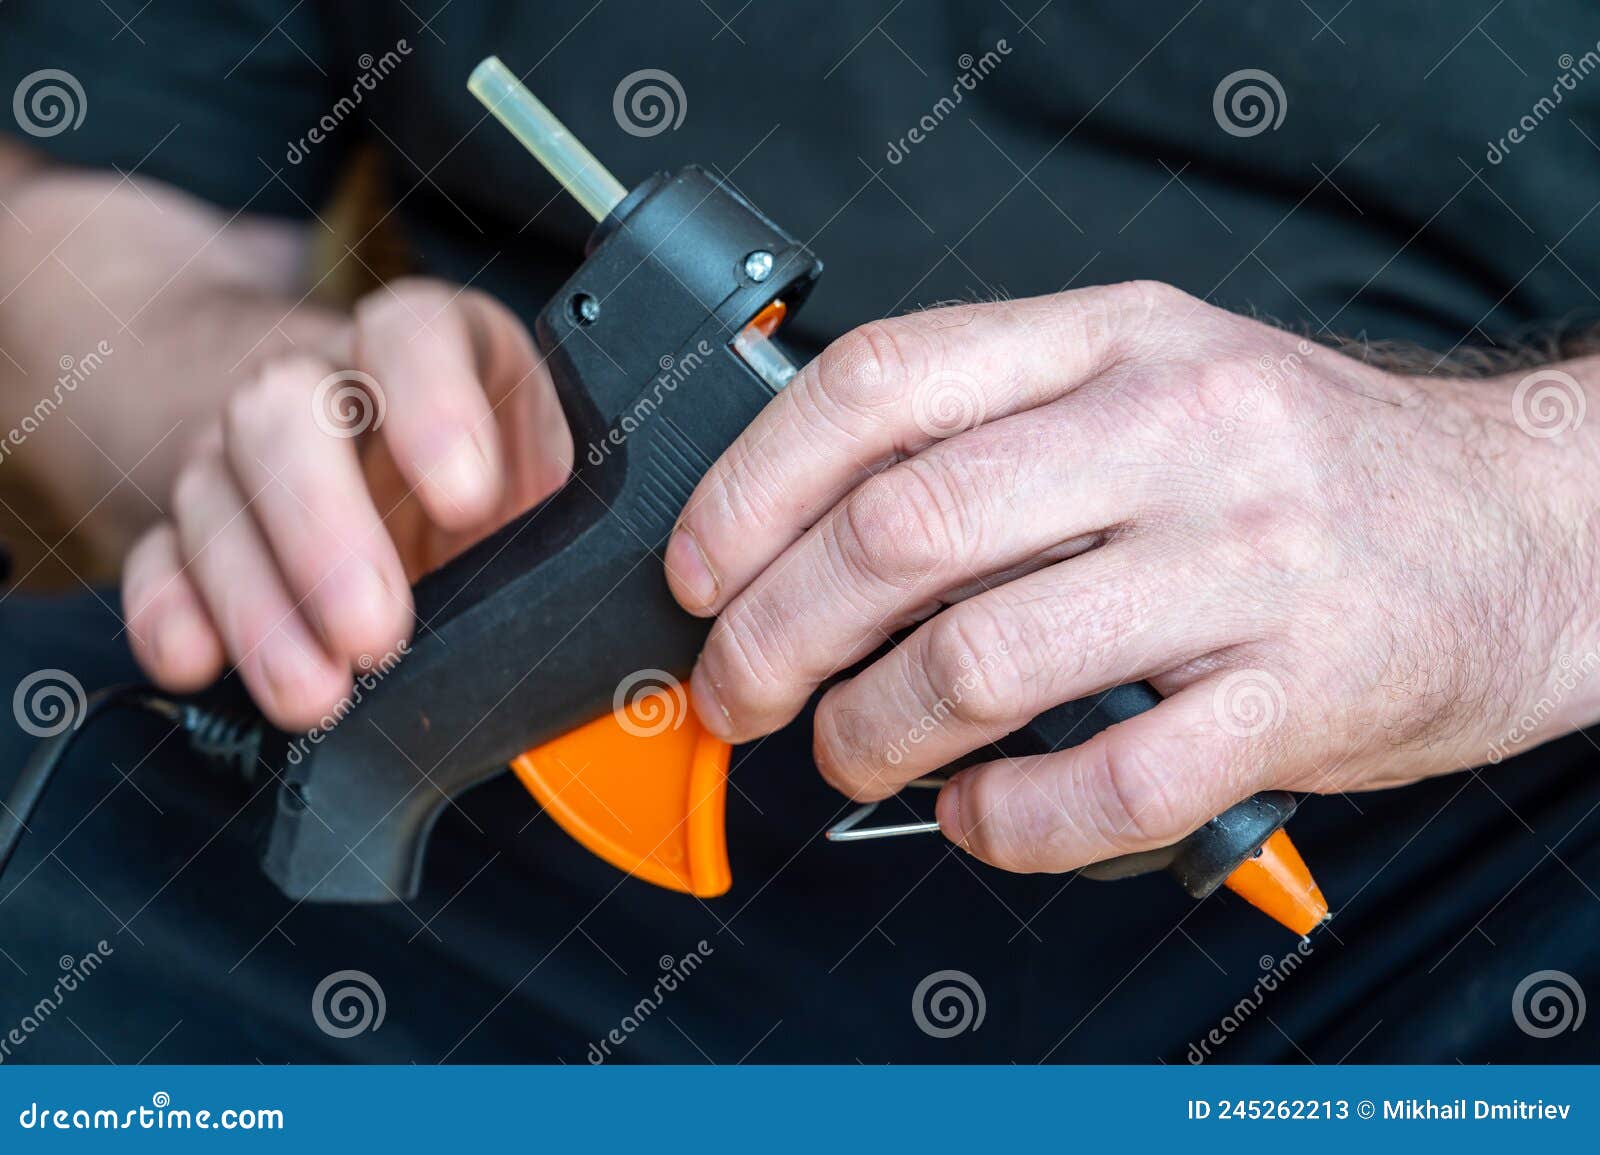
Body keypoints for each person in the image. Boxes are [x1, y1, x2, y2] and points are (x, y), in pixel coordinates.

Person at [0, 0, 1596, 1063]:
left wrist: (1525, 517)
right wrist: (239, 401)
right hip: (500, 707)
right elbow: (78, 195)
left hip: (1485, 813)